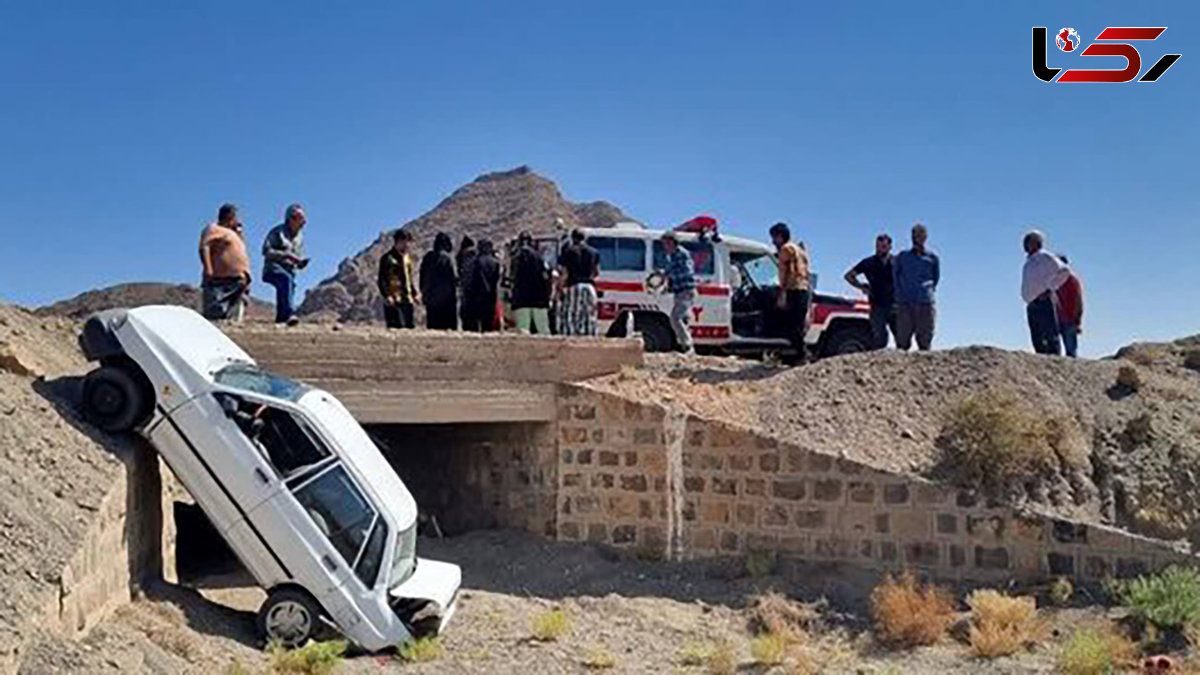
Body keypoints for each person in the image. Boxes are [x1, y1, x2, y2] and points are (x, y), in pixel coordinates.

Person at [198, 203, 252, 322]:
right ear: (229, 215)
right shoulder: (213, 228)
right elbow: (205, 247)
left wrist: (238, 233)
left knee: (234, 316)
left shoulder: (233, 234)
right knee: (215, 313)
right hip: (220, 278)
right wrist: (208, 268)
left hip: (238, 280)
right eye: (235, 216)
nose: (237, 220)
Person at [1021, 230, 1071, 355]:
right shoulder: (1029, 262)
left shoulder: (1045, 257)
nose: (1024, 245)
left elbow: (1064, 271)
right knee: (1037, 337)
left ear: (1036, 243)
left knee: (1050, 335)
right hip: (1032, 303)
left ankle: (1055, 363)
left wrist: (1050, 287)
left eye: (1028, 241)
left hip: (1044, 301)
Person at [892, 223, 940, 351]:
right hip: (905, 303)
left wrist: (927, 291)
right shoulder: (902, 256)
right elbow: (895, 277)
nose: (916, 238)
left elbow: (935, 278)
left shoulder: (932, 258)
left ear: (925, 237)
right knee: (902, 343)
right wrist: (899, 296)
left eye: (920, 235)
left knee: (925, 342)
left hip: (925, 302)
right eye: (914, 235)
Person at [845, 233, 896, 350]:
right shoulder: (869, 262)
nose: (881, 248)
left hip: (895, 304)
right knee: (880, 339)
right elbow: (849, 276)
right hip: (877, 305)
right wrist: (861, 286)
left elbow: (907, 278)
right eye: (879, 246)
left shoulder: (896, 262)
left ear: (890, 247)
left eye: (884, 246)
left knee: (902, 339)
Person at [769, 222, 811, 362]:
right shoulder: (799, 250)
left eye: (774, 237)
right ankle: (797, 354)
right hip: (804, 289)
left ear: (780, 237)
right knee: (797, 324)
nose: (773, 241)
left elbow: (787, 272)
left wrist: (783, 293)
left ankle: (801, 355)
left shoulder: (785, 250)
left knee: (792, 326)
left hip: (794, 289)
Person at [261, 203, 308, 325]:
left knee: (288, 286)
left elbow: (296, 256)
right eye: (300, 218)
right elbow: (266, 251)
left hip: (290, 270)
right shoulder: (277, 232)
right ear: (291, 218)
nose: (304, 222)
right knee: (285, 280)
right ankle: (289, 314)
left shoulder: (299, 237)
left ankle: (281, 319)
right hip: (273, 268)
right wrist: (286, 255)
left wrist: (300, 263)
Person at [557, 229, 600, 336]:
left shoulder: (568, 251)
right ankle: (589, 339)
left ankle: (570, 340)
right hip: (589, 287)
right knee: (589, 315)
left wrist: (560, 288)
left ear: (573, 238)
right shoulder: (594, 252)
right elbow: (596, 272)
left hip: (574, 285)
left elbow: (564, 272)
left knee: (571, 316)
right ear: (584, 238)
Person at [659, 231, 696, 353]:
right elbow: (671, 271)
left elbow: (686, 272)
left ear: (672, 242)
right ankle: (689, 349)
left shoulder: (682, 254)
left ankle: (686, 345)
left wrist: (667, 275)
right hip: (680, 291)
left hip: (686, 291)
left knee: (675, 318)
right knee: (683, 319)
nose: (664, 247)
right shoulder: (672, 256)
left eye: (666, 244)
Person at [509, 231, 552, 334]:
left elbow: (512, 278)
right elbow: (546, 277)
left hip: (521, 299)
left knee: (523, 330)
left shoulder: (515, 258)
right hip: (539, 299)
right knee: (543, 331)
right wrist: (548, 296)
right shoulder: (539, 257)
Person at [378, 229, 420, 329]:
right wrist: (387, 295)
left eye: (409, 242)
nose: (407, 245)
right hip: (393, 300)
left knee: (409, 328)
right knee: (395, 328)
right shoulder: (388, 258)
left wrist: (414, 294)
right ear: (398, 242)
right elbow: (382, 280)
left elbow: (409, 278)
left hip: (407, 299)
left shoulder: (407, 259)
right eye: (405, 242)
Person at [419, 232, 458, 330]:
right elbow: (453, 278)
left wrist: (424, 293)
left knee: (433, 329)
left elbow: (422, 277)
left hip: (431, 300)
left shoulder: (428, 257)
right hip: (446, 301)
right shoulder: (448, 258)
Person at [462, 239, 500, 332]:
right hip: (490, 295)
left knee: (475, 322)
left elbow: (470, 279)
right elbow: (496, 279)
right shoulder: (495, 262)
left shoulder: (475, 262)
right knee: (488, 323)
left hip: (476, 295)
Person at [1055, 254, 1085, 358]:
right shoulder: (1053, 281)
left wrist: (1077, 320)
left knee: (1071, 351)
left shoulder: (1072, 280)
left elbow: (1078, 300)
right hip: (1055, 318)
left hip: (1069, 318)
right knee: (1054, 350)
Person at [456, 235, 477, 330]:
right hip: (475, 292)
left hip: (464, 291)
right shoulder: (477, 257)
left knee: (465, 316)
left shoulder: (460, 257)